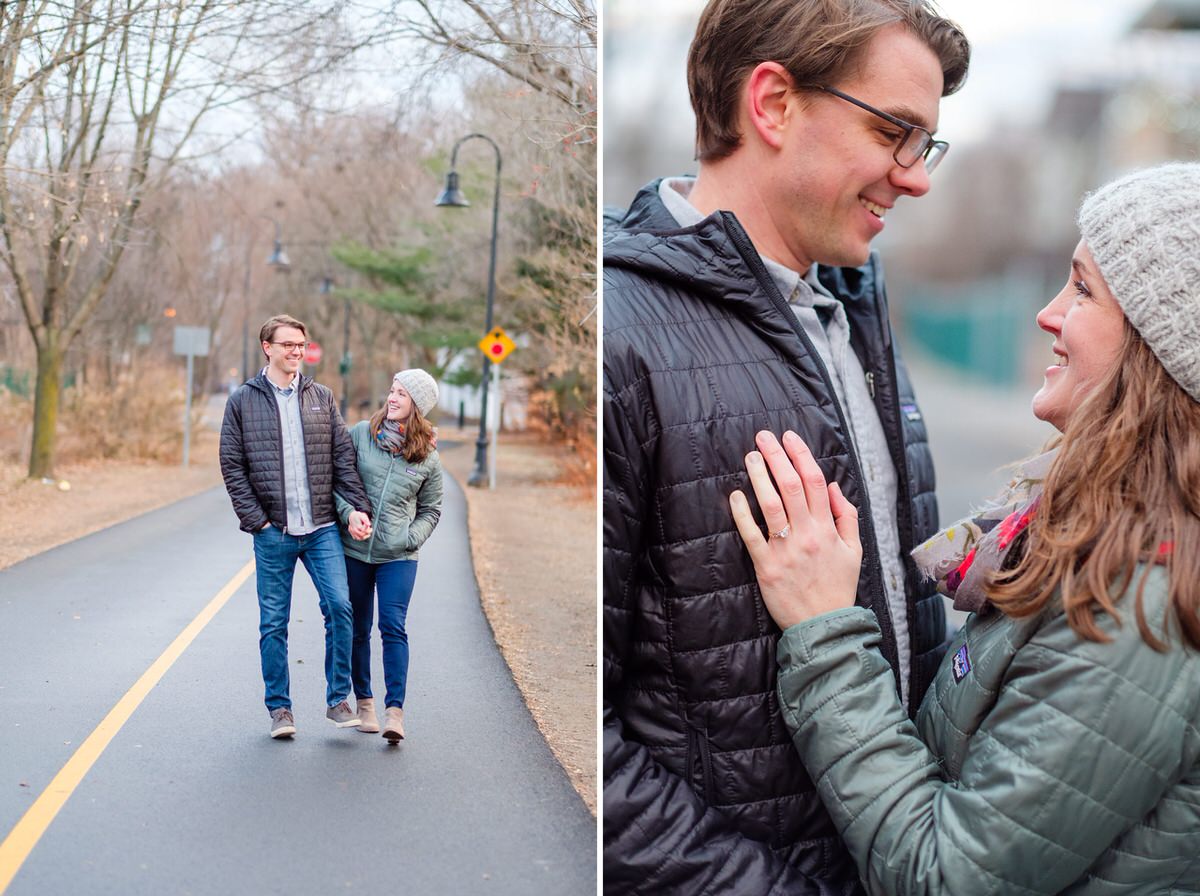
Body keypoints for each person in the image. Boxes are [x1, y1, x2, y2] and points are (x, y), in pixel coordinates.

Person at [729, 163, 1200, 893]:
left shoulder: (1140, 606)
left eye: (1081, 289)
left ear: (1156, 345)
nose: (1048, 313)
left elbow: (946, 878)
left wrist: (824, 632)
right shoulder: (1111, 534)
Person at [602, 0, 970, 891]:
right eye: (895, 132)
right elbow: (595, 736)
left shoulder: (858, 313)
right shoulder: (619, 333)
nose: (914, 177)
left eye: (926, 143)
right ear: (772, 103)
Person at [219, 313, 374, 739]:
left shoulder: (321, 397)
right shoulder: (242, 401)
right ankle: (280, 709)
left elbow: (343, 459)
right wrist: (259, 522)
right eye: (288, 344)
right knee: (274, 623)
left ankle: (338, 699)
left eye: (301, 345)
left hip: (322, 526)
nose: (296, 352)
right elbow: (232, 466)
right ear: (268, 347)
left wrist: (358, 507)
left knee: (340, 608)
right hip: (274, 533)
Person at [336, 369, 443, 743]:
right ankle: (364, 703)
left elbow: (432, 509)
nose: (393, 398)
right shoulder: (361, 434)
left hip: (398, 556)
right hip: (354, 551)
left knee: (393, 626)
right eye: (392, 391)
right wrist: (348, 515)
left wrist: (409, 538)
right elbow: (335, 481)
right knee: (358, 628)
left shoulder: (427, 454)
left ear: (417, 406)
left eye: (402, 394)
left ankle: (394, 711)